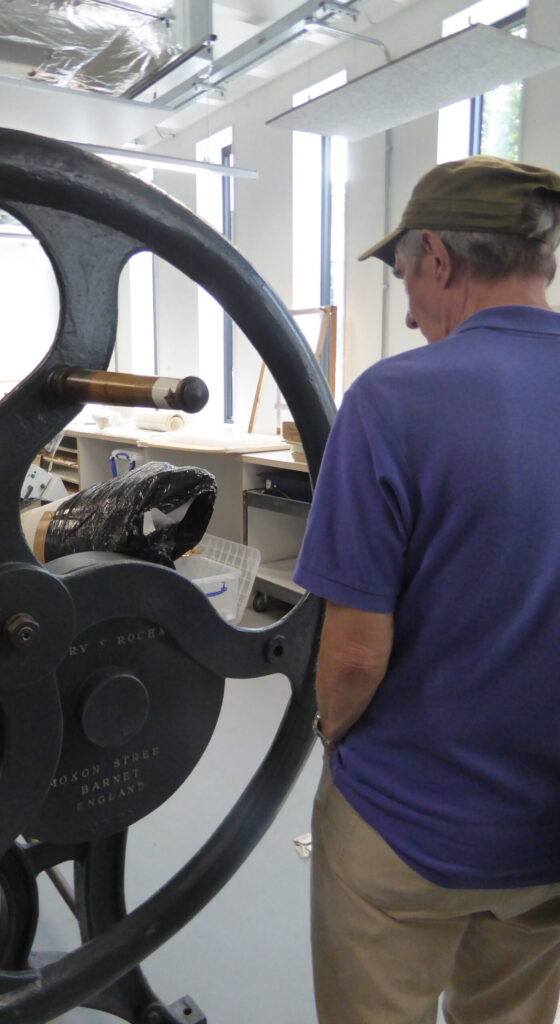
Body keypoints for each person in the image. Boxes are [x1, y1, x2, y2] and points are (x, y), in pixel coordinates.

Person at [293, 155, 560, 1024]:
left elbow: (357, 654)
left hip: (406, 826)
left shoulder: (391, 401)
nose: (406, 309)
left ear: (438, 258)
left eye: (406, 276)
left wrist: (334, 741)